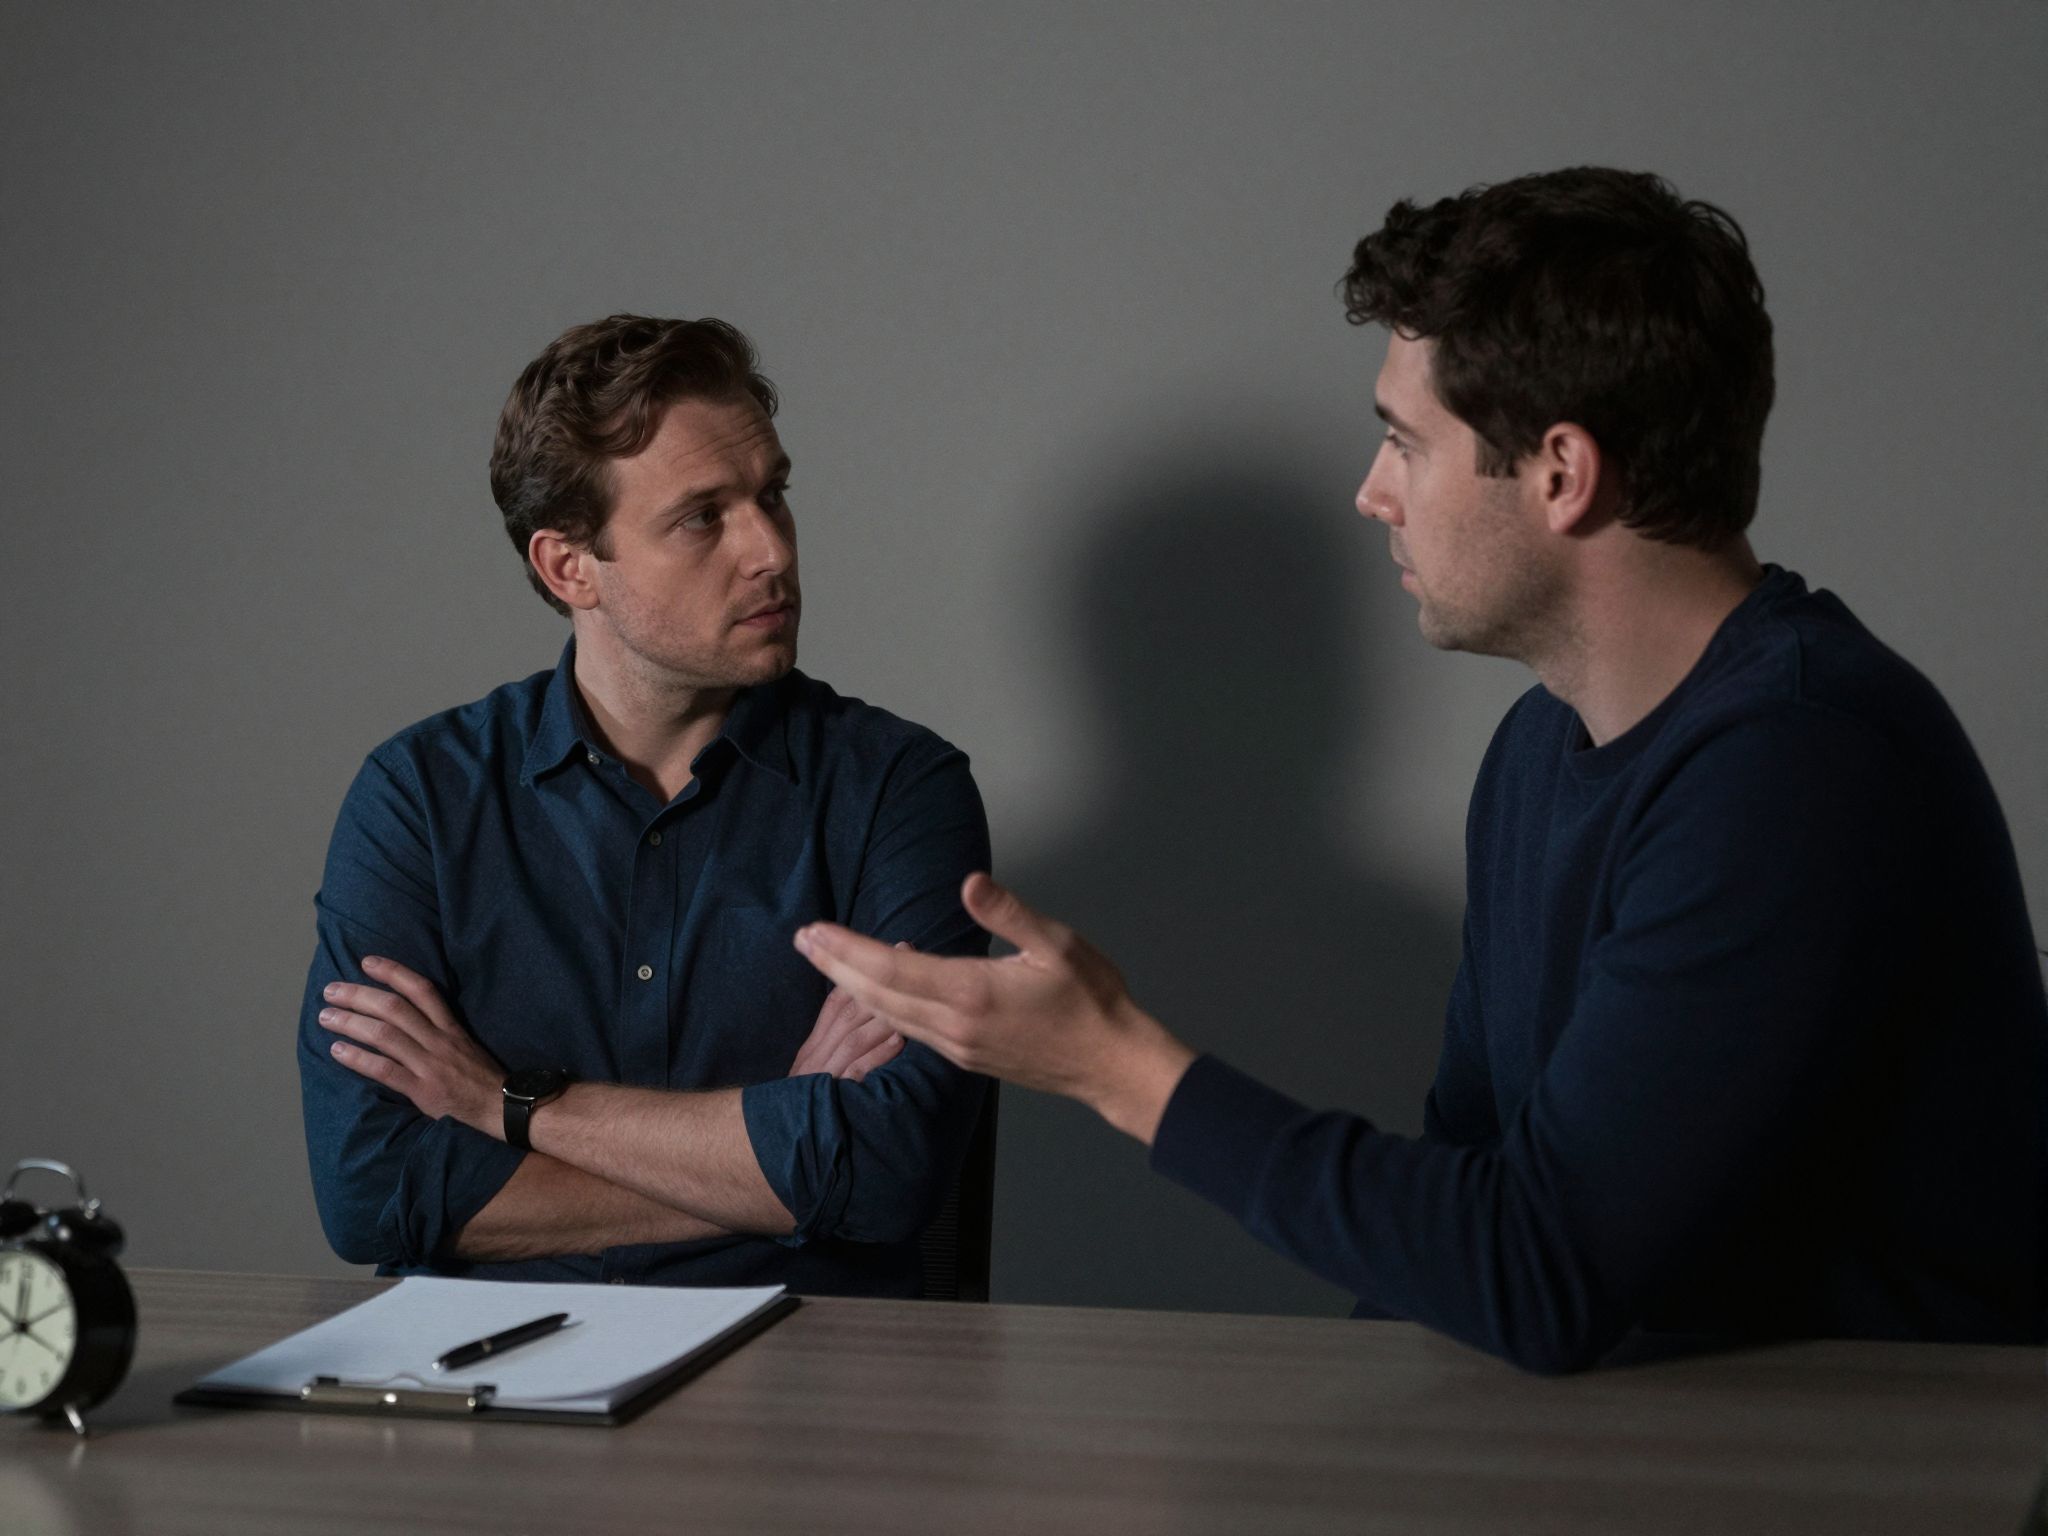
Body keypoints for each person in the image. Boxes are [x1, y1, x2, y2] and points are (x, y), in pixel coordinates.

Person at [794, 168, 2047, 1368]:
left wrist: (1114, 1064)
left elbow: (1542, 1271)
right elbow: (1469, 1192)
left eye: (1404, 442)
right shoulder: (1539, 749)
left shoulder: (1797, 764)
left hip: (1884, 1463)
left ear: (1559, 474)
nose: (1372, 493)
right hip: (1645, 1443)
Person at [299, 314, 992, 1295]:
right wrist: (775, 1150)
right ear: (568, 566)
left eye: (772, 494)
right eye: (702, 517)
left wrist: (510, 1107)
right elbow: (375, 1191)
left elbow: (886, 1170)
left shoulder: (897, 790)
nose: (770, 550)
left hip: (806, 1371)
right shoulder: (419, 799)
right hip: (500, 1377)